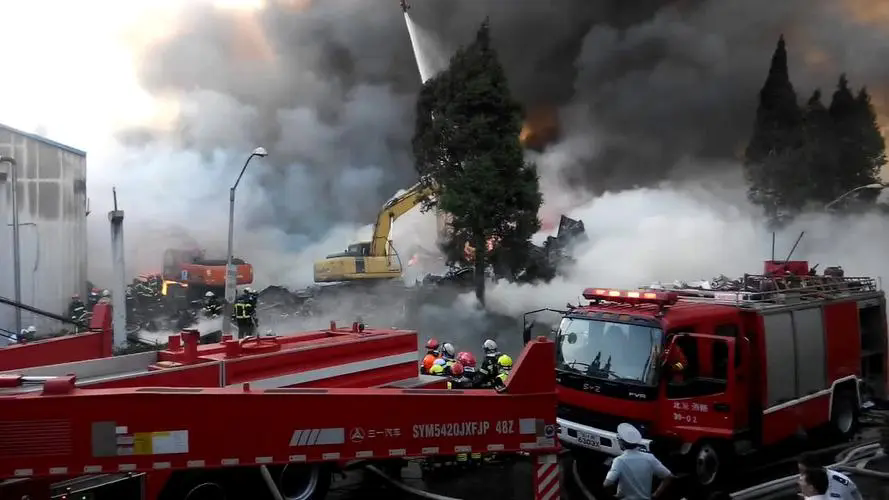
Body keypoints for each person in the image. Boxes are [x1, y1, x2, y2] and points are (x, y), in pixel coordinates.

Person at [603, 423, 674, 500]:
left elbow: (607, 484)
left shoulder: (619, 461)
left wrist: (615, 496)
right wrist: (655, 495)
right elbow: (668, 477)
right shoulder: (650, 458)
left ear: (621, 442)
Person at [798, 452, 862, 500]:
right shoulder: (810, 478)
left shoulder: (838, 483)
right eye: (800, 471)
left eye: (803, 471)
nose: (801, 475)